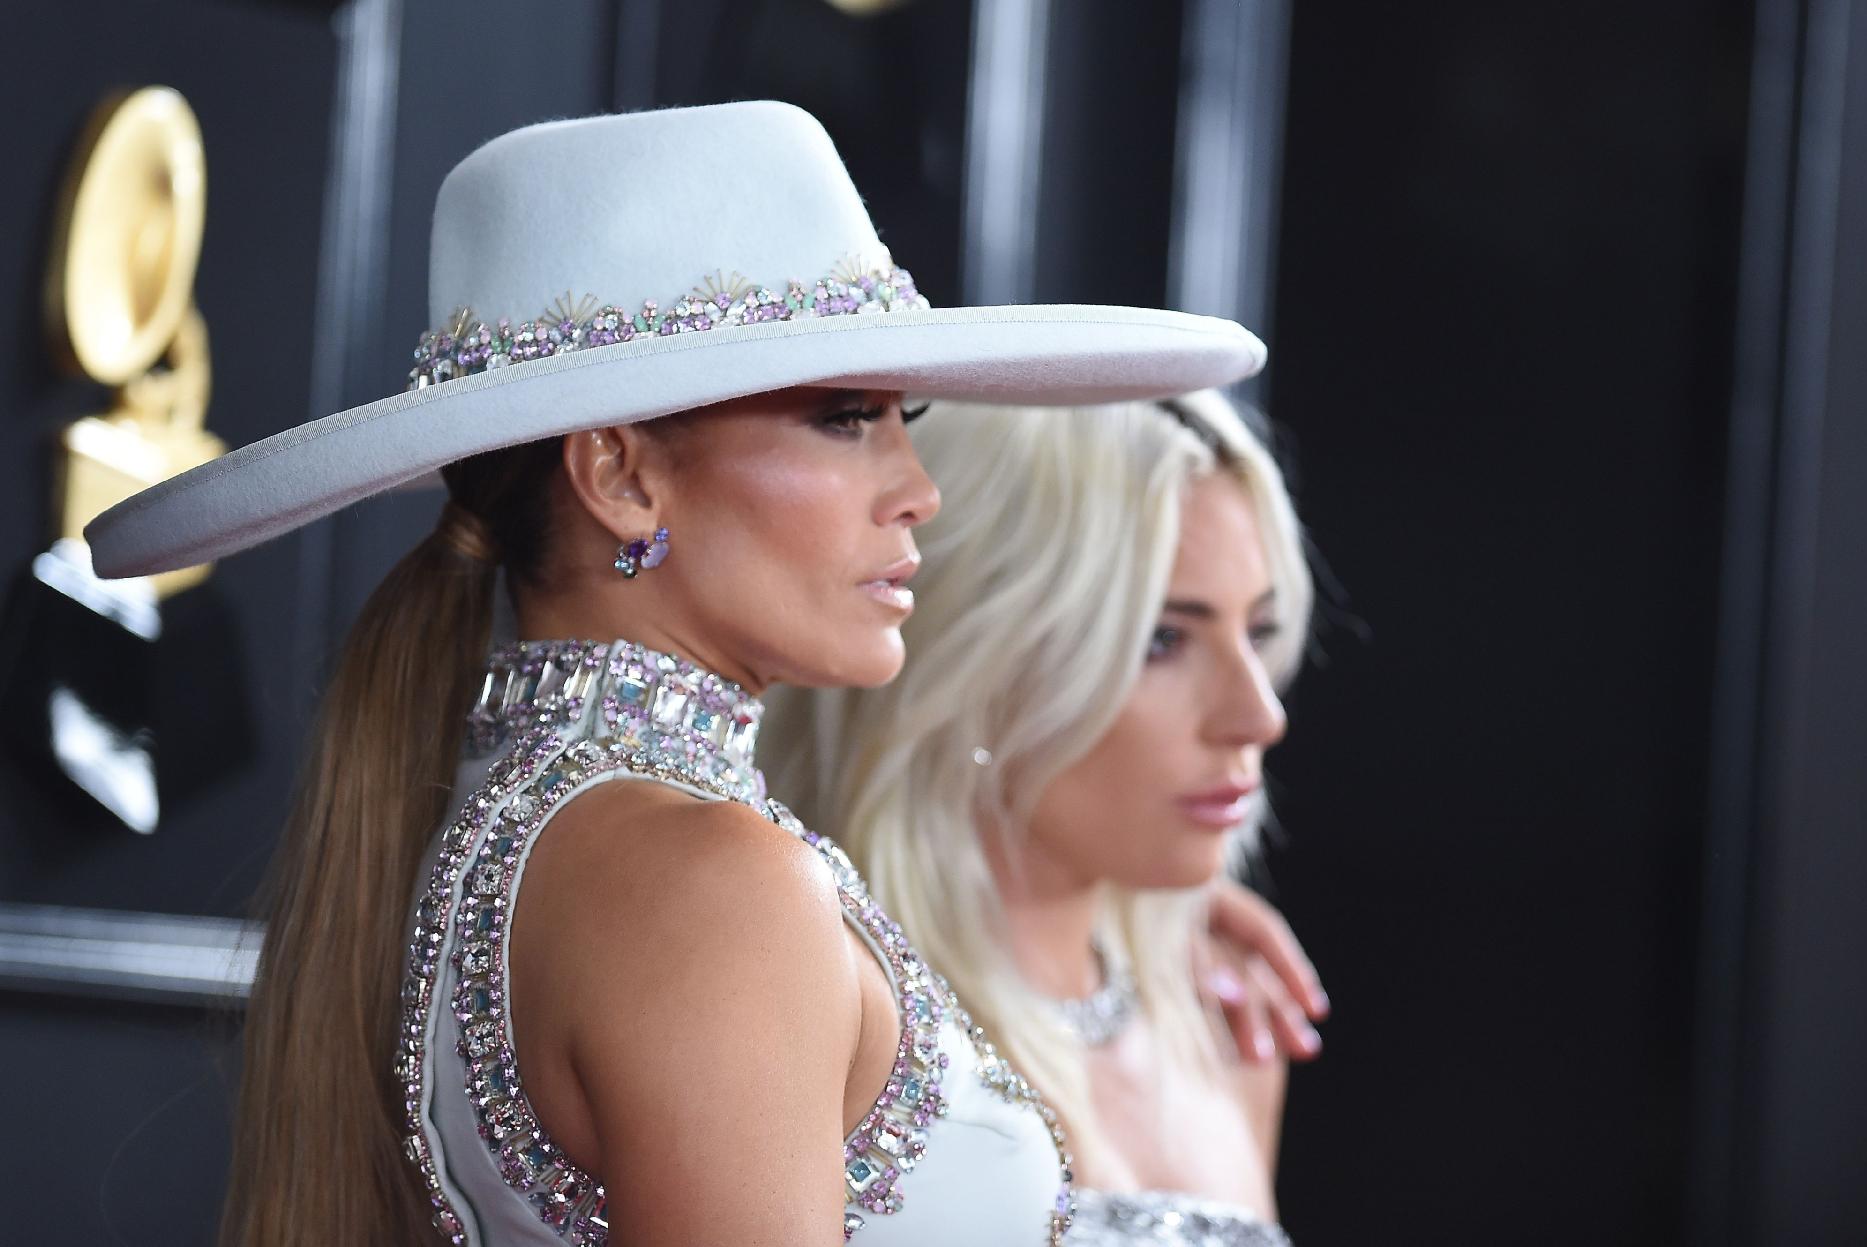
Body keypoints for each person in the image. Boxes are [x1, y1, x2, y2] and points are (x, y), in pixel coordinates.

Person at [85, 103, 1300, 1246]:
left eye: (904, 415)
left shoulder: (555, 828)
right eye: (844, 416)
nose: (918, 489)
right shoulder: (709, 882)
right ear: (621, 475)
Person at [764, 389, 1313, 1244]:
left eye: (1260, 630)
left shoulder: (1225, 1024)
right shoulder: (807, 1010)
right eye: (1162, 640)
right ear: (979, 660)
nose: (1257, 714)